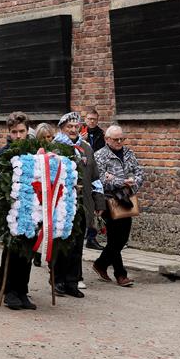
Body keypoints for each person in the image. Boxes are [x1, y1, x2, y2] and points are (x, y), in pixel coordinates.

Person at [53, 111, 105, 298]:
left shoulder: (86, 148)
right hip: (63, 203)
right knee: (63, 243)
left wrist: (99, 201)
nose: (73, 130)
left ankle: (72, 281)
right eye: (69, 127)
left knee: (77, 244)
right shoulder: (55, 148)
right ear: (62, 128)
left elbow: (95, 177)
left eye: (76, 127)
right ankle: (58, 280)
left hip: (84, 203)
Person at [0, 111, 38, 309]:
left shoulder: (36, 154)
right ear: (8, 132)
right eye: (14, 132)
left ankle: (22, 290)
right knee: (12, 249)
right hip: (11, 210)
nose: (18, 136)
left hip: (32, 208)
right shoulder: (1, 154)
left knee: (28, 248)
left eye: (22, 131)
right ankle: (10, 289)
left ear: (28, 131)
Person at [93, 125, 143, 287]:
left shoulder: (129, 153)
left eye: (122, 138)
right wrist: (121, 182)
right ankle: (121, 274)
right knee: (115, 238)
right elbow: (100, 179)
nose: (120, 142)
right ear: (107, 139)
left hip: (127, 199)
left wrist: (131, 185)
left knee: (122, 239)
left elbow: (139, 172)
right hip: (109, 200)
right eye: (116, 139)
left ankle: (100, 264)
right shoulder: (100, 156)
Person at [82, 106, 106, 250]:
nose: (91, 122)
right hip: (83, 173)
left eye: (94, 120)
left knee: (95, 204)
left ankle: (91, 237)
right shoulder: (79, 133)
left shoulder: (101, 135)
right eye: (89, 119)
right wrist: (81, 140)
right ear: (85, 119)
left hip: (96, 172)